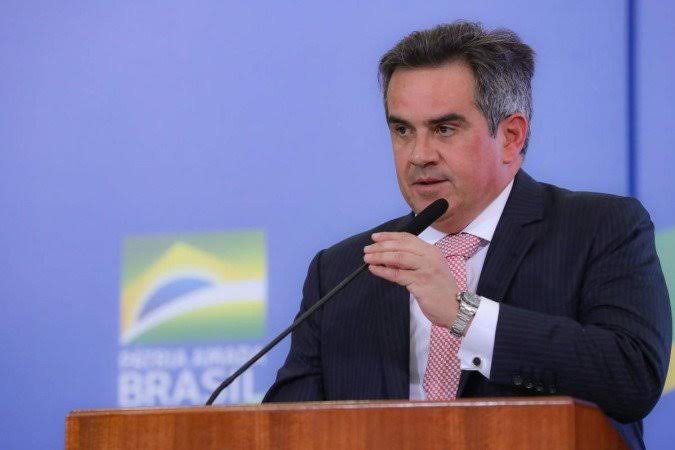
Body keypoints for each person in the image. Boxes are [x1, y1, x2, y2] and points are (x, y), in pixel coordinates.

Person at [263, 21, 671, 449]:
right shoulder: (344, 270)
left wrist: (465, 316)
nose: (419, 155)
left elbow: (633, 377)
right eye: (402, 130)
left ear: (511, 136)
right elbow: (283, 430)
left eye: (444, 129)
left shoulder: (599, 229)